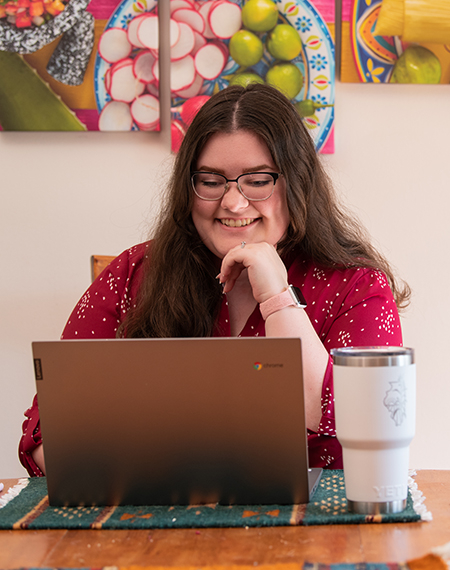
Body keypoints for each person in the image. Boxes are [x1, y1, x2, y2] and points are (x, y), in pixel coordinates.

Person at [19, 83, 410, 477]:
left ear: (297, 183)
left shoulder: (357, 286)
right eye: (210, 181)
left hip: (316, 532)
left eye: (258, 181)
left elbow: (366, 429)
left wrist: (278, 298)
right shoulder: (132, 274)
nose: (233, 203)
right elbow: (45, 439)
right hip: (156, 525)